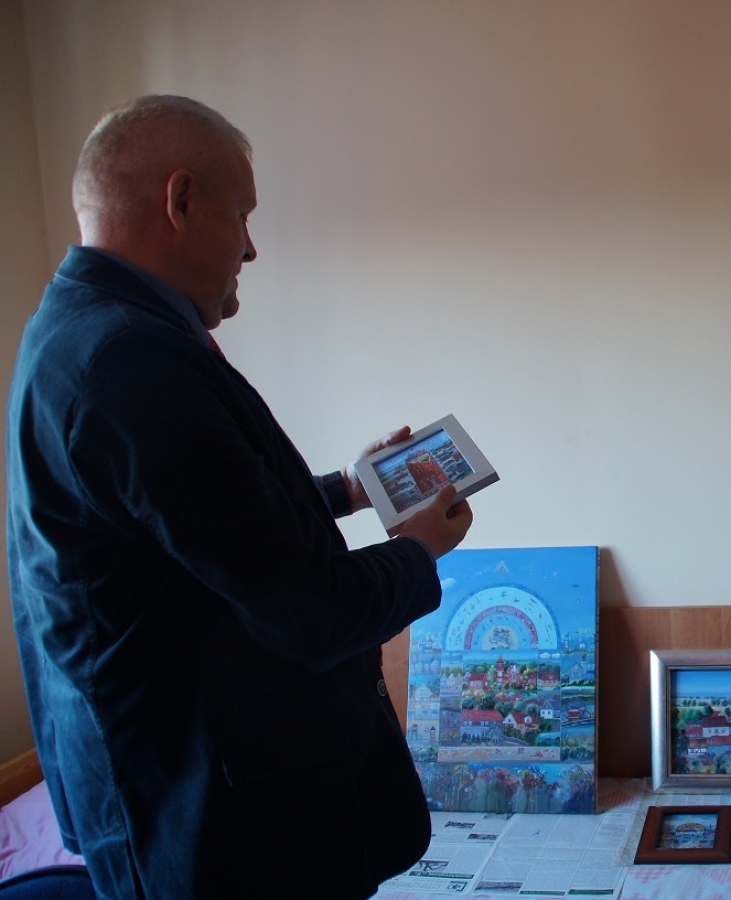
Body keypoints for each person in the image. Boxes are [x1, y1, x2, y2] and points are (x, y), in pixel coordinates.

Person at [6, 95, 476, 899]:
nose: (251, 248)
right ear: (181, 201)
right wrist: (417, 550)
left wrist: (347, 489)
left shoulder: (80, 328)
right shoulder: (129, 363)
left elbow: (203, 531)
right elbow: (309, 611)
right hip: (222, 820)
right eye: (243, 215)